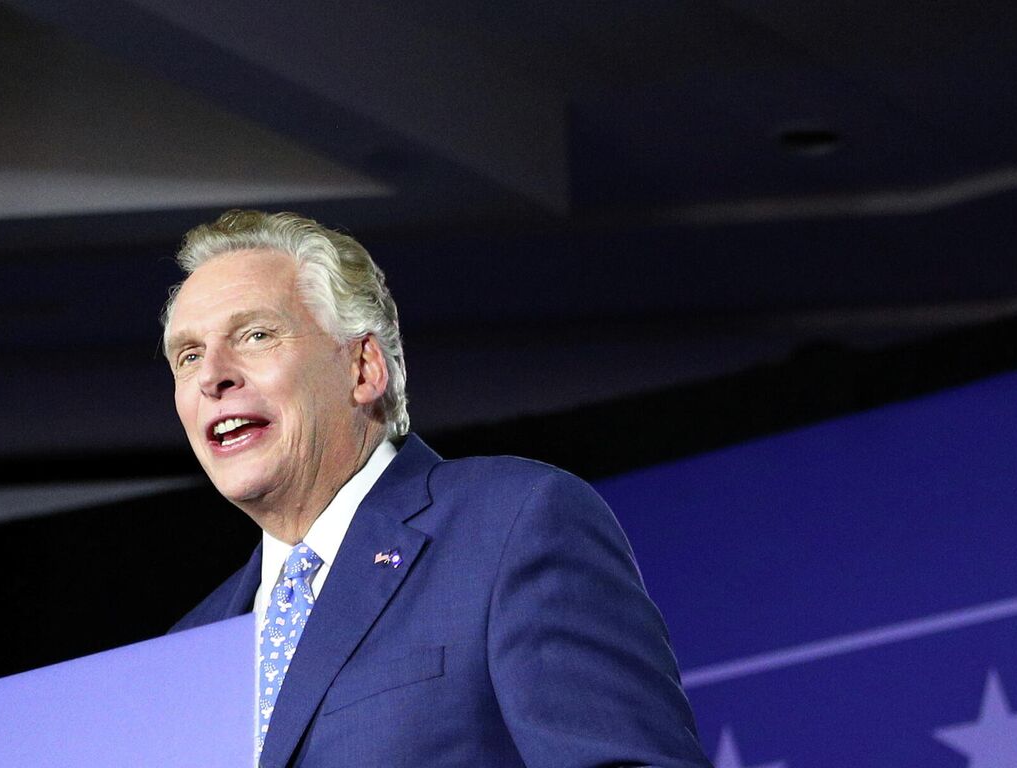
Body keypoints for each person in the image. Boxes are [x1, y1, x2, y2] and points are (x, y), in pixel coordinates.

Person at [160, 210, 710, 767]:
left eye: (256, 335)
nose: (212, 377)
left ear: (363, 368)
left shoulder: (508, 527)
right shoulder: (190, 648)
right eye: (188, 356)